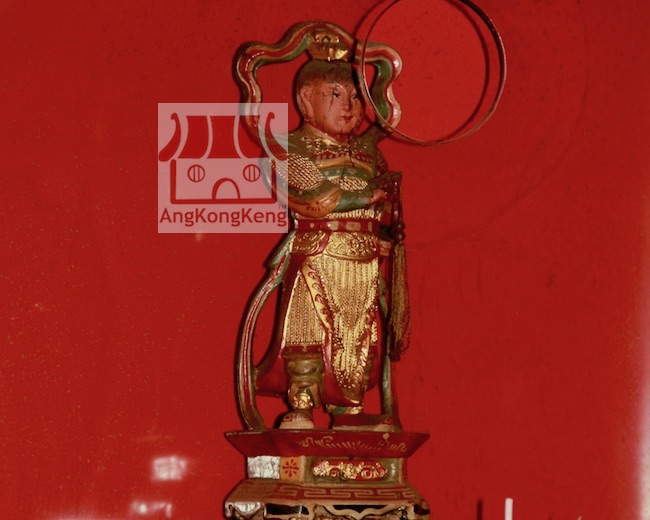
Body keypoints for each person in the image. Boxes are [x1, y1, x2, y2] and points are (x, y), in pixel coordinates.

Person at [254, 59, 400, 429]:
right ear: (306, 99)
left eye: (355, 96)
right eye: (335, 95)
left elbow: (385, 204)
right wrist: (366, 195)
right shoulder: (289, 148)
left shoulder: (368, 152)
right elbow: (316, 200)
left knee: (361, 338)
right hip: (317, 254)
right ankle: (302, 403)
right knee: (307, 334)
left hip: (365, 260)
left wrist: (384, 233)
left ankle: (349, 409)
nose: (349, 106)